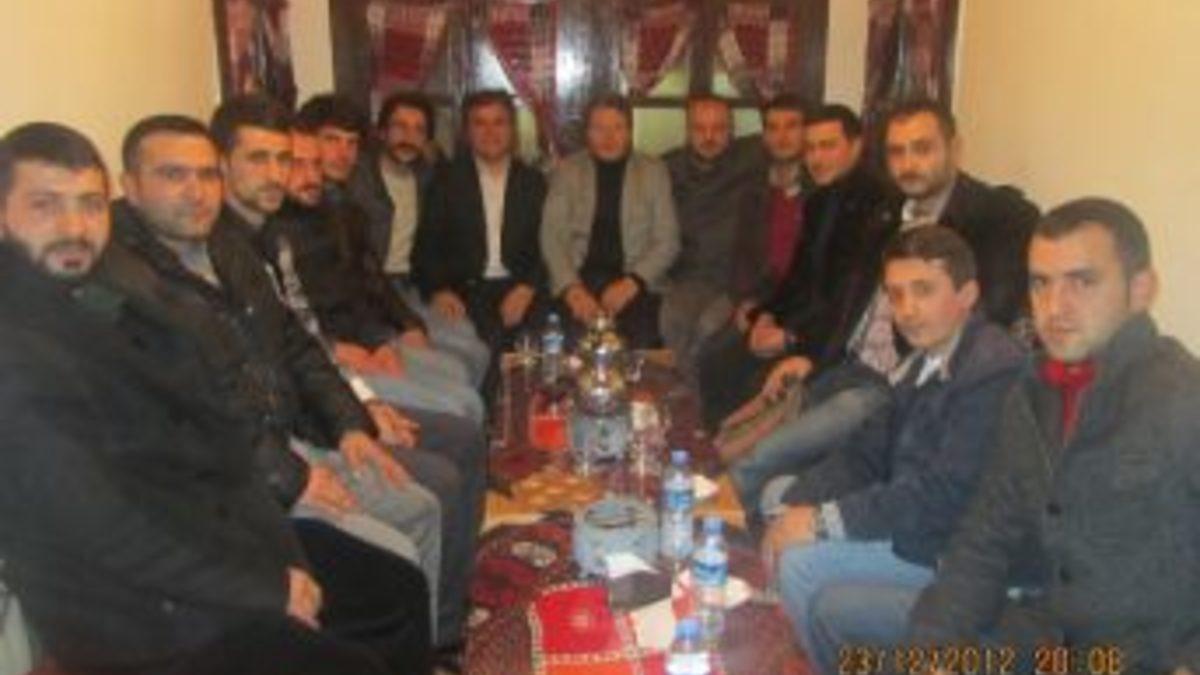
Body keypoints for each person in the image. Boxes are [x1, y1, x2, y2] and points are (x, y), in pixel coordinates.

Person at [0, 121, 417, 674]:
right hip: (138, 611)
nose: (74, 227)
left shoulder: (105, 291)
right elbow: (105, 527)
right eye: (45, 205)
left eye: (90, 205)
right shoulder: (18, 348)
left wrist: (279, 550)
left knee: (396, 587)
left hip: (210, 533)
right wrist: (267, 586)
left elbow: (212, 428)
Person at [907, 198, 1200, 675]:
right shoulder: (1030, 393)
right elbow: (985, 536)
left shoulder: (1183, 397)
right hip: (1046, 637)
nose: (1054, 307)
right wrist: (934, 645)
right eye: (1041, 283)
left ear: (1140, 290)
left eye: (1082, 282)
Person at [757, 227, 1023, 675]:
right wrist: (794, 509)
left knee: (800, 565)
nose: (907, 310)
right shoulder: (923, 357)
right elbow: (864, 453)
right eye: (896, 295)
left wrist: (819, 522)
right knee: (778, 494)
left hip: (948, 550)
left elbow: (941, 496)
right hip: (910, 516)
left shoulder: (991, 371)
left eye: (923, 290)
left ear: (967, 294)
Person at [271, 119, 488, 654]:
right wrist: (356, 376)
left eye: (312, 161)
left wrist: (392, 334)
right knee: (457, 410)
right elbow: (306, 338)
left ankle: (454, 591)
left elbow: (364, 289)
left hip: (350, 362)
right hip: (324, 394)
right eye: (293, 162)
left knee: (464, 378)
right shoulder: (263, 239)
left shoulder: (338, 212)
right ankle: (440, 626)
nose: (307, 172)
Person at [698, 103, 887, 429]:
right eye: (810, 148)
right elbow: (797, 277)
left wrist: (790, 339)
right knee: (715, 358)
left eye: (828, 146)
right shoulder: (819, 201)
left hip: (830, 343)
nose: (816, 158)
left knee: (749, 378)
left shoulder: (876, 205)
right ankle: (714, 446)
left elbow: (850, 303)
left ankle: (734, 449)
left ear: (856, 146)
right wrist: (766, 315)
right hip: (799, 323)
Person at [336, 91, 492, 385]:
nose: (409, 137)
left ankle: (468, 408)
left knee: (475, 349)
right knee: (457, 363)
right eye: (400, 127)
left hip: (411, 287)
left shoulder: (429, 176)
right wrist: (405, 324)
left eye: (419, 130)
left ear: (428, 140)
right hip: (373, 293)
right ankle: (454, 404)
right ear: (381, 132)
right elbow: (356, 267)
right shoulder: (355, 179)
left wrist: (440, 287)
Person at [416, 89, 549, 355]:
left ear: (512, 129)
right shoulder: (445, 181)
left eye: (499, 122)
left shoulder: (535, 183)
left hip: (522, 286)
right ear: (467, 132)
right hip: (465, 292)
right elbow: (427, 246)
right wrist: (439, 290)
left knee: (540, 347)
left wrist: (528, 287)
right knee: (483, 350)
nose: (490, 132)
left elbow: (550, 244)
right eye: (480, 123)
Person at [540, 94, 680, 347]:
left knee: (638, 344)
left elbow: (667, 241)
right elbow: (551, 237)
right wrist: (572, 289)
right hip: (579, 279)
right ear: (587, 133)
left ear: (630, 131)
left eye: (618, 127)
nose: (609, 137)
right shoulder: (568, 170)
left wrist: (632, 283)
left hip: (636, 281)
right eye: (599, 128)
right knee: (572, 342)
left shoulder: (653, 171)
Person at [659, 93, 764, 377]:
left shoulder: (754, 158)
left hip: (737, 279)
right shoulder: (667, 167)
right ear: (687, 131)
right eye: (699, 128)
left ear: (732, 130)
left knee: (709, 328)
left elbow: (789, 141)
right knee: (673, 318)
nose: (709, 137)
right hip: (691, 276)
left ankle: (699, 392)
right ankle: (688, 388)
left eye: (718, 128)